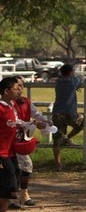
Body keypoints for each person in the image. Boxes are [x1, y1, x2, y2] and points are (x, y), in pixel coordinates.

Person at [12, 77, 50, 208]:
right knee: (22, 166)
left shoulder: (26, 101)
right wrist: (33, 123)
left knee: (19, 167)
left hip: (20, 138)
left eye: (21, 86)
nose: (20, 89)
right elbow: (15, 121)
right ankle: (18, 196)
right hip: (9, 139)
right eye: (17, 86)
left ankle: (19, 195)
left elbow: (36, 113)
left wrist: (45, 120)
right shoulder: (7, 104)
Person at [52, 64, 86, 170]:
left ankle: (58, 164)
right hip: (69, 113)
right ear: (71, 72)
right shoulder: (73, 81)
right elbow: (81, 79)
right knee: (82, 122)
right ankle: (67, 138)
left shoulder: (58, 82)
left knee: (56, 140)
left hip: (57, 113)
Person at [0, 77, 22, 212]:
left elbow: (16, 122)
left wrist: (31, 124)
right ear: (6, 91)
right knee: (8, 184)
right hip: (1, 152)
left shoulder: (12, 106)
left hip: (10, 151)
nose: (19, 90)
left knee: (12, 181)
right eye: (16, 88)